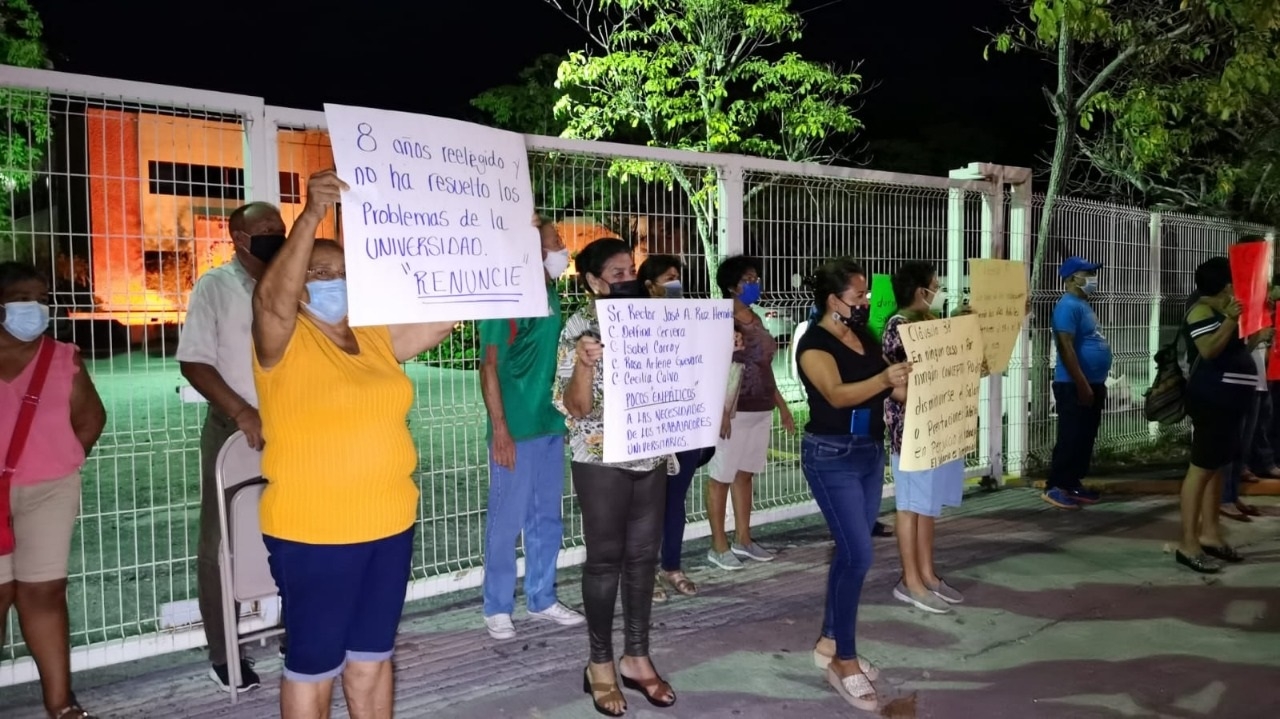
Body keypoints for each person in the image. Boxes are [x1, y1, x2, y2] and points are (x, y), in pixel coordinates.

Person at [251, 170, 457, 718]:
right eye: (317, 271)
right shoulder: (282, 340)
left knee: (372, 659)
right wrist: (312, 215)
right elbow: (272, 304)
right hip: (315, 531)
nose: (329, 280)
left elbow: (444, 320)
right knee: (313, 666)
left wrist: (502, 244)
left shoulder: (371, 334)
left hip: (389, 524)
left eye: (340, 271)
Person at [555, 238, 677, 716]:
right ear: (593, 281)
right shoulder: (579, 327)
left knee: (644, 558)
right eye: (618, 273)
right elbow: (577, 408)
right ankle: (600, 664)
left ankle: (637, 657)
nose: (629, 278)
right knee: (605, 560)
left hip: (651, 452)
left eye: (632, 269)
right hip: (600, 456)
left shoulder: (656, 315)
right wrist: (585, 364)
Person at [175, 200, 286, 692]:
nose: (272, 236)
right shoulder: (215, 288)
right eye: (262, 230)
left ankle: (297, 631)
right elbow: (195, 362)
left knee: (297, 530)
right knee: (223, 544)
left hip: (294, 429)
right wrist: (242, 411)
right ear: (237, 238)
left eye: (278, 228)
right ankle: (225, 654)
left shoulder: (294, 282)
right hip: (235, 430)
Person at [796, 257, 910, 712]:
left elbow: (893, 389)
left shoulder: (862, 336)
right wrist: (885, 377)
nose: (865, 303)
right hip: (831, 456)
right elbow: (838, 395)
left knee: (852, 552)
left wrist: (939, 378)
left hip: (868, 452)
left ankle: (830, 641)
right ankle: (844, 661)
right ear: (832, 300)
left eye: (865, 295)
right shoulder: (813, 344)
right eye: (858, 296)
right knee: (858, 553)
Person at [0, 261, 106, 719]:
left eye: (43, 299)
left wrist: (58, 459)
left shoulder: (63, 357)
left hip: (49, 491)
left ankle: (60, 704)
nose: (37, 308)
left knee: (44, 592)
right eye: (25, 299)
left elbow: (90, 420)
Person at [477, 216, 585, 639]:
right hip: (516, 429)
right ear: (531, 248)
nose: (564, 248)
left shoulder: (552, 293)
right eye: (555, 241)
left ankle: (541, 598)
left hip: (550, 423)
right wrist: (500, 429)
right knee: (507, 520)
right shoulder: (503, 297)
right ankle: (497, 606)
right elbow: (487, 367)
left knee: (547, 519)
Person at [881, 262, 964, 615]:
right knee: (910, 506)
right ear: (920, 291)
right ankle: (910, 581)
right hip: (911, 432)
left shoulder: (929, 324)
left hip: (937, 427)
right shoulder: (899, 328)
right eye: (934, 285)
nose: (938, 290)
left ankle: (927, 574)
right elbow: (899, 386)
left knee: (927, 506)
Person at [706, 256, 795, 570]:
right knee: (721, 476)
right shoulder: (721, 319)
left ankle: (744, 539)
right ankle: (718, 545)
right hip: (734, 409)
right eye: (747, 279)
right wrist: (721, 412)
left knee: (745, 475)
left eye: (756, 277)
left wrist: (783, 408)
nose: (754, 284)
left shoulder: (754, 317)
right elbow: (714, 369)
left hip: (760, 406)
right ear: (731, 285)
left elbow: (764, 367)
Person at [1177, 257, 1263, 573]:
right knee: (1200, 470)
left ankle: (1211, 534)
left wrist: (1256, 336)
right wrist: (1229, 320)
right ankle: (1188, 543)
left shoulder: (1223, 311)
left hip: (1230, 401)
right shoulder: (1201, 310)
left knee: (1217, 468)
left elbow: (1233, 351)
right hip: (1211, 400)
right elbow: (1209, 350)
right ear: (1227, 285)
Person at [638, 254, 707, 601]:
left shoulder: (689, 318)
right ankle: (645, 571)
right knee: (647, 502)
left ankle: (672, 565)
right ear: (649, 285)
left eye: (678, 277)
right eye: (669, 278)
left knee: (675, 499)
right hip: (650, 425)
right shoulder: (633, 321)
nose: (675, 283)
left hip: (684, 422)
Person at [1043, 256, 1112, 510]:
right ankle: (1056, 485)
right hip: (1073, 384)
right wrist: (1081, 383)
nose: (1093, 278)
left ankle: (1072, 483)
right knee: (1071, 436)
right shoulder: (1067, 306)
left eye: (1093, 273)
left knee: (1084, 436)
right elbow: (1065, 347)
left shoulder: (1082, 305)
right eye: (1088, 273)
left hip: (1091, 382)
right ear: (1072, 278)